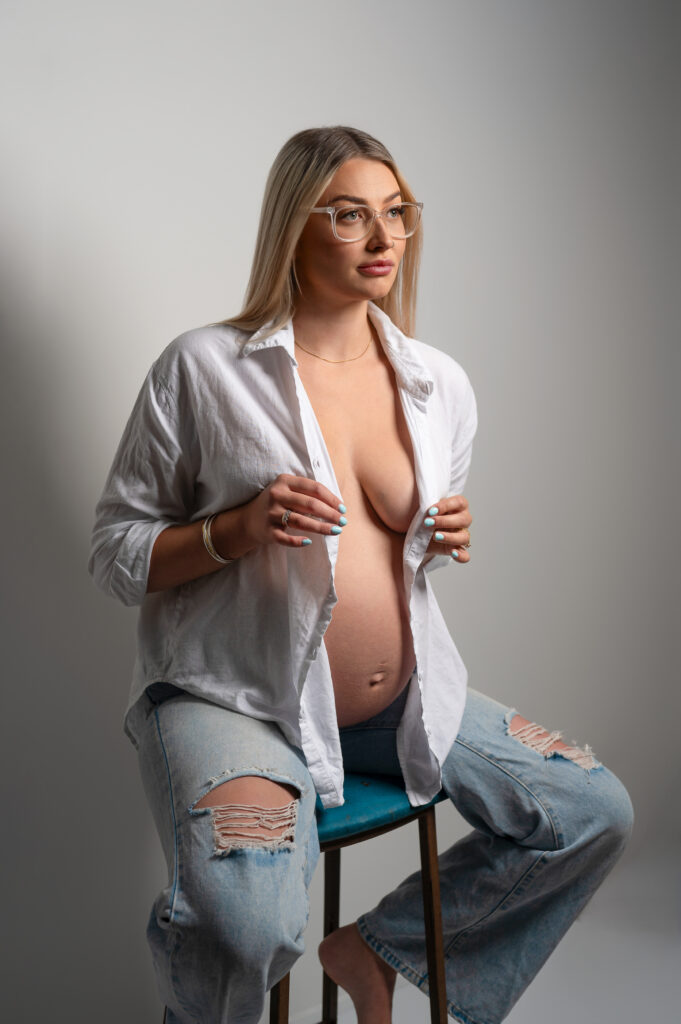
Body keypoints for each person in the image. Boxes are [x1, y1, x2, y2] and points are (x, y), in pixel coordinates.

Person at [89, 125, 634, 1024]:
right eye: (350, 215)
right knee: (244, 923)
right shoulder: (203, 369)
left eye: (396, 215)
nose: (382, 239)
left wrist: (438, 532)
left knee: (588, 810)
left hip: (400, 703)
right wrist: (234, 529)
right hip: (236, 698)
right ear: (294, 229)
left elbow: (374, 569)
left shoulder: (436, 383)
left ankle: (378, 948)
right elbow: (116, 553)